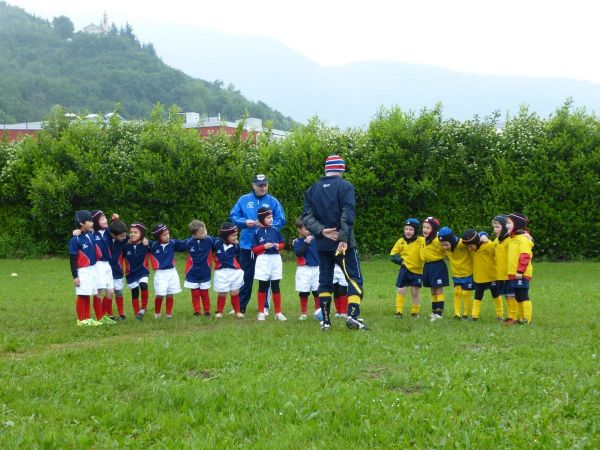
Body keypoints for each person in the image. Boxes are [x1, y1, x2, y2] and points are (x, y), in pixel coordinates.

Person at [302, 154, 366, 331]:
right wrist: (343, 238)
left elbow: (306, 217)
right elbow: (348, 213)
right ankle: (353, 316)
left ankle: (326, 321)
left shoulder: (312, 189)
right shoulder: (345, 186)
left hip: (322, 243)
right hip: (343, 243)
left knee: (325, 280)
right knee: (354, 278)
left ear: (326, 170)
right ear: (342, 170)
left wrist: (321, 231)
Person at [230, 174, 286, 315]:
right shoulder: (244, 200)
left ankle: (265, 307)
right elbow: (233, 216)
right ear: (253, 185)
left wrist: (268, 225)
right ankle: (240, 307)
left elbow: (281, 219)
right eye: (260, 185)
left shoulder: (273, 201)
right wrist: (245, 222)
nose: (263, 187)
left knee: (265, 277)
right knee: (245, 276)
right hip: (247, 245)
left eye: (265, 185)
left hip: (266, 248)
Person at [252, 206, 287, 321]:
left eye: (271, 216)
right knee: (263, 286)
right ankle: (261, 312)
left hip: (276, 259)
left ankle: (278, 313)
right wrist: (263, 246)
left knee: (276, 286)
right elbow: (254, 249)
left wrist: (279, 246)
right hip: (263, 260)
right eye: (268, 217)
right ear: (261, 218)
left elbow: (282, 243)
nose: (271, 219)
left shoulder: (275, 230)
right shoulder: (256, 232)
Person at [69, 210, 102, 326]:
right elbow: (72, 259)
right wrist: (75, 276)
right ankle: (81, 320)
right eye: (90, 221)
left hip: (92, 269)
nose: (92, 223)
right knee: (82, 294)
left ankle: (87, 318)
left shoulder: (90, 234)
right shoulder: (74, 240)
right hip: (83, 271)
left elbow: (102, 226)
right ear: (82, 223)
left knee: (87, 293)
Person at [461, 229, 503, 321]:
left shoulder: (489, 245)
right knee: (477, 297)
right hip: (478, 278)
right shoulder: (471, 248)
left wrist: (484, 234)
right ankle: (474, 316)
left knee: (496, 295)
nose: (469, 248)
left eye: (471, 246)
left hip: (492, 276)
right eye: (467, 246)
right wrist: (483, 234)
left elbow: (500, 253)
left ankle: (500, 315)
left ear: (476, 242)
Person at [148, 223, 185, 319]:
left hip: (172, 272)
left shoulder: (173, 243)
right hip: (160, 274)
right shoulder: (153, 246)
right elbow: (140, 240)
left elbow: (184, 245)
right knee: (160, 294)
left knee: (170, 294)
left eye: (168, 233)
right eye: (164, 235)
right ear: (158, 237)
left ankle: (168, 314)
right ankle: (157, 314)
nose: (168, 236)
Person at [390, 218, 425, 318]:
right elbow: (393, 255)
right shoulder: (401, 241)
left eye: (411, 229)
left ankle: (415, 313)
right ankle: (399, 312)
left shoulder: (421, 241)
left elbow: (430, 244)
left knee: (415, 292)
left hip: (417, 271)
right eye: (406, 229)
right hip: (404, 270)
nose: (408, 231)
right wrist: (401, 262)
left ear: (416, 231)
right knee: (401, 290)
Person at [438, 226, 474, 320]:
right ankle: (457, 314)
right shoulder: (446, 249)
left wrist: (483, 235)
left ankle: (467, 314)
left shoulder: (463, 243)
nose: (444, 247)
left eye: (446, 244)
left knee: (466, 293)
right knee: (457, 293)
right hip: (456, 274)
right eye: (442, 245)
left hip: (468, 273)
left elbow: (475, 239)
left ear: (452, 240)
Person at [506, 212, 534, 324]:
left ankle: (526, 318)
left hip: (520, 274)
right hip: (514, 274)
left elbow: (525, 256)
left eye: (508, 223)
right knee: (518, 297)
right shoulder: (513, 238)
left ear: (516, 224)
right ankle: (521, 318)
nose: (506, 225)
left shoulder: (522, 240)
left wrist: (520, 271)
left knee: (523, 296)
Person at [212, 222, 244, 318]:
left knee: (235, 292)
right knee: (222, 292)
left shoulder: (236, 245)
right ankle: (219, 312)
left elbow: (239, 258)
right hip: (221, 272)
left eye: (236, 235)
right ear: (225, 236)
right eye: (233, 235)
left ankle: (237, 312)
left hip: (234, 271)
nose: (236, 238)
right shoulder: (216, 243)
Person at [90, 210, 117, 324]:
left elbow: (119, 231)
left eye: (105, 217)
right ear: (95, 222)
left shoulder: (107, 232)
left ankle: (106, 314)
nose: (105, 220)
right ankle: (99, 317)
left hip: (107, 264)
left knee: (110, 292)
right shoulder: (91, 233)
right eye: (102, 219)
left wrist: (116, 220)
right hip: (98, 265)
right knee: (99, 291)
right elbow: (80, 236)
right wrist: (76, 232)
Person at [182, 220, 214, 317]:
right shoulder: (188, 242)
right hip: (192, 273)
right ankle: (197, 311)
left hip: (205, 272)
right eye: (202, 232)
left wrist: (233, 241)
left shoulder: (210, 240)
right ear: (194, 235)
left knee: (204, 293)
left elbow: (221, 242)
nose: (204, 233)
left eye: (205, 230)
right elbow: (174, 244)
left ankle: (207, 311)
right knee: (195, 293)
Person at [420, 217, 448, 321]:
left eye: (428, 228)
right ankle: (434, 311)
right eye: (424, 227)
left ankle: (439, 313)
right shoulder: (423, 240)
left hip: (438, 266)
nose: (425, 230)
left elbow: (446, 249)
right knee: (432, 290)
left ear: (434, 229)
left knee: (438, 289)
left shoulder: (437, 240)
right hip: (427, 266)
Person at [292, 217, 320, 320]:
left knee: (317, 291)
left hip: (316, 268)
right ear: (299, 229)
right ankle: (304, 313)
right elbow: (298, 253)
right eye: (306, 228)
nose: (308, 230)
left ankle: (318, 312)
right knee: (304, 292)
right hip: (304, 269)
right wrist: (306, 243)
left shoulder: (316, 239)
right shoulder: (297, 241)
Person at [123, 223, 151, 320]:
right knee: (134, 292)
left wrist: (146, 240)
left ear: (142, 235)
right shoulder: (125, 245)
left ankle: (143, 308)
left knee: (144, 285)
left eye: (136, 232)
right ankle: (137, 314)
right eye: (131, 232)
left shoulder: (146, 244)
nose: (132, 234)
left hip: (143, 271)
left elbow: (158, 244)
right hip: (130, 274)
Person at [107, 219, 128, 320]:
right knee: (109, 293)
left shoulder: (124, 239)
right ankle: (110, 314)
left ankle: (121, 314)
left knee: (119, 292)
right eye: (122, 236)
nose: (124, 237)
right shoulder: (105, 238)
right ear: (113, 234)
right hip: (106, 272)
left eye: (125, 235)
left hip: (118, 272)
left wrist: (144, 238)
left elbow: (136, 236)